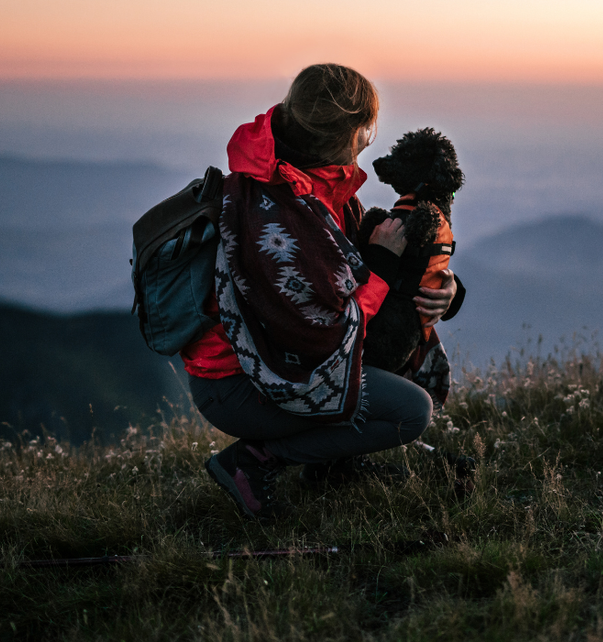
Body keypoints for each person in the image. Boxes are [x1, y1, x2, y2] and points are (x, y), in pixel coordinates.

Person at [181, 63, 463, 519]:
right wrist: (385, 264)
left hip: (269, 363)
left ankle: (332, 467)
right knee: (410, 412)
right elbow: (326, 331)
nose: (369, 139)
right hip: (239, 385)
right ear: (348, 134)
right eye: (366, 127)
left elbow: (346, 271)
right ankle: (252, 461)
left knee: (386, 361)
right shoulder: (281, 211)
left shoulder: (316, 182)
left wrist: (445, 290)